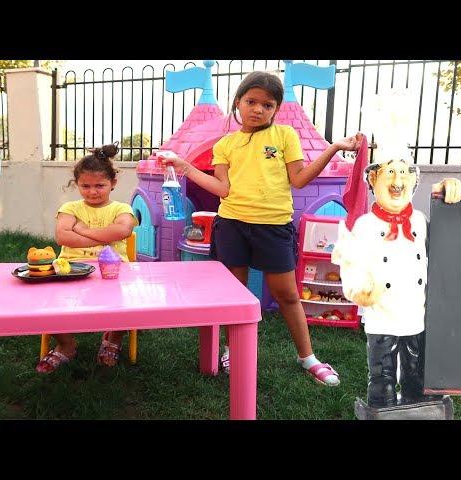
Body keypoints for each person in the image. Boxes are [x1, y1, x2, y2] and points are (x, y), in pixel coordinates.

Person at [159, 71, 362, 386]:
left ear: (276, 109)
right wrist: (184, 167)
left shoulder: (285, 136)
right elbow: (222, 188)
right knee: (233, 294)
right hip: (231, 226)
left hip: (273, 227)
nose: (258, 109)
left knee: (288, 295)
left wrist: (334, 147)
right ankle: (230, 349)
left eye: (267, 105)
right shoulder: (226, 144)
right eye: (251, 101)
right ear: (238, 101)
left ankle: (307, 357)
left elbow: (299, 179)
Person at [332, 155, 461, 407]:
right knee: (382, 374)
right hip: (381, 315)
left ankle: (419, 406)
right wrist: (359, 289)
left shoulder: (420, 222)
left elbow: (448, 241)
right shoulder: (366, 225)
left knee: (417, 370)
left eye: (403, 173)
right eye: (390, 172)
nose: (397, 180)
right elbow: (352, 260)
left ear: (413, 181)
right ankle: (382, 408)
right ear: (373, 179)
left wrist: (447, 195)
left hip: (416, 314)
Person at [36, 143, 138, 374]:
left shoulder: (121, 208)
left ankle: (113, 339)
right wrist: (104, 238)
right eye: (86, 186)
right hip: (69, 269)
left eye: (100, 185)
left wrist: (81, 230)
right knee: (45, 302)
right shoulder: (70, 207)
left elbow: (122, 231)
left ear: (113, 183)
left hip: (113, 272)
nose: (93, 191)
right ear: (77, 185)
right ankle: (66, 344)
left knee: (126, 304)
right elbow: (63, 236)